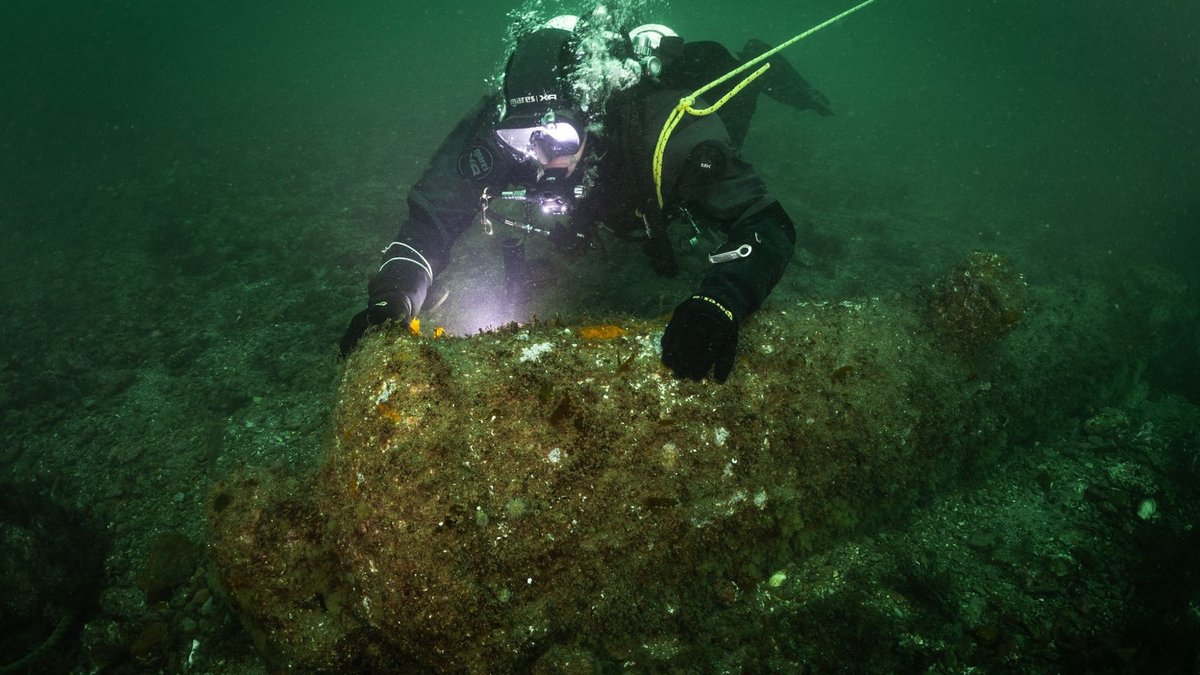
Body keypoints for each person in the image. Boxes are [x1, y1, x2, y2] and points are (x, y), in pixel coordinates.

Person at [340, 9, 832, 383]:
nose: (538, 157)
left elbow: (767, 222)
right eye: (522, 138)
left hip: (657, 160)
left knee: (730, 108)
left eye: (558, 139)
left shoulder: (667, 131)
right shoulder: (496, 130)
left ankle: (756, 63)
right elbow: (431, 220)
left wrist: (721, 301)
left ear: (593, 120)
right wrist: (394, 297)